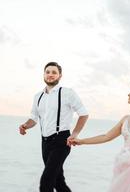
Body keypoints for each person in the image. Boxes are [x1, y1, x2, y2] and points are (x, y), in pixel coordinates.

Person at [19, 62, 89, 192]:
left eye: (54, 72)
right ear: (44, 74)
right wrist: (25, 126)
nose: (50, 75)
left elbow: (83, 114)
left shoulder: (67, 93)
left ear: (60, 76)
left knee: (46, 182)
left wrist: (74, 134)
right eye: (48, 72)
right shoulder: (38, 96)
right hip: (45, 142)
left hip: (61, 141)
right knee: (58, 181)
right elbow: (33, 118)